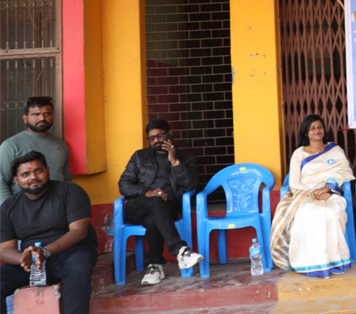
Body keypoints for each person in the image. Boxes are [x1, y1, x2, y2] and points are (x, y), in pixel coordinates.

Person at [0, 151, 98, 314]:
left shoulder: (70, 191)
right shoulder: (8, 207)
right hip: (30, 262)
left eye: (38, 171)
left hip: (71, 253)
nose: (33, 177)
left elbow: (79, 231)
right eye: (25, 174)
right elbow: (4, 249)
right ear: (16, 180)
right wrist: (22, 259)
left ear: (47, 170)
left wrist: (45, 252)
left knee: (78, 270)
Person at [117, 119, 203, 285]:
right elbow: (124, 184)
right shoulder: (140, 156)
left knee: (153, 218)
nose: (156, 140)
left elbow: (190, 185)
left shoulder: (185, 158)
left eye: (160, 136)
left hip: (168, 208)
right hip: (138, 207)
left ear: (169, 134)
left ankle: (154, 266)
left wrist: (175, 162)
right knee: (155, 201)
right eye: (152, 138)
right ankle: (180, 250)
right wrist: (146, 192)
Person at [271, 115, 355, 277]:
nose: (317, 131)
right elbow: (294, 182)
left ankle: (334, 260)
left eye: (320, 127)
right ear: (306, 133)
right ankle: (311, 263)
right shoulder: (299, 153)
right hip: (305, 193)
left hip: (329, 192)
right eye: (312, 128)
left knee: (332, 211)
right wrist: (313, 193)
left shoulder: (335, 150)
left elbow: (344, 171)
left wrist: (327, 188)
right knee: (309, 213)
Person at [0, 97, 71, 203]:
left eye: (47, 114)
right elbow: (1, 182)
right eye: (35, 114)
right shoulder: (11, 145)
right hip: (23, 208)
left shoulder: (61, 145)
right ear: (25, 118)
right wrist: (7, 209)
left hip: (57, 206)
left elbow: (67, 180)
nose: (42, 118)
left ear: (53, 116)